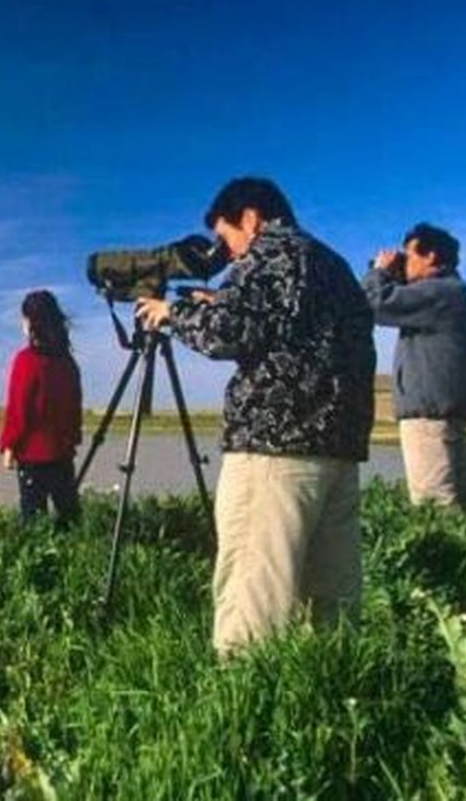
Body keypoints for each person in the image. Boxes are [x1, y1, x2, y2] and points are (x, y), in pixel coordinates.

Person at [135, 176, 376, 656]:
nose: (227, 255)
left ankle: (243, 690)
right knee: (332, 604)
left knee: (254, 596)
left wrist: (172, 313)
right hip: (338, 448)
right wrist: (223, 300)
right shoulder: (330, 262)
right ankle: (329, 683)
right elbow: (292, 329)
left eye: (226, 239)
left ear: (251, 218)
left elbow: (228, 332)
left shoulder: (270, 253)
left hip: (275, 449)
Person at [364, 223, 466, 508]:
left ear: (430, 256)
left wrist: (379, 272)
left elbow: (374, 304)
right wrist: (394, 276)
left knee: (434, 500)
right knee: (463, 496)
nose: (405, 263)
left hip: (428, 413)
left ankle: (445, 540)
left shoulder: (440, 291)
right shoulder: (453, 291)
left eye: (409, 256)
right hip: (441, 409)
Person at [0, 289, 84, 527]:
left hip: (32, 455)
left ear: (31, 322)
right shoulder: (67, 362)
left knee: (33, 520)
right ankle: (74, 548)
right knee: (69, 517)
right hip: (62, 453)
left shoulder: (26, 361)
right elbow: (75, 407)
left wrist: (9, 446)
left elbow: (18, 409)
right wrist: (73, 439)